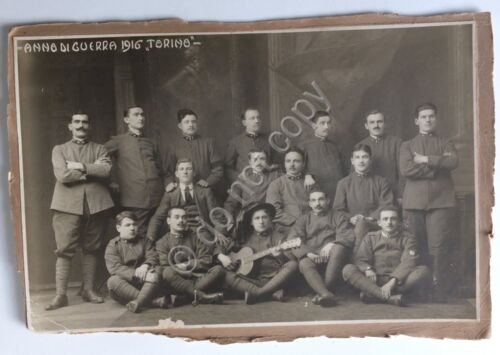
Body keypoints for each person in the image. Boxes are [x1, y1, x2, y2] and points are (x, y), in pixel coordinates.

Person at [46, 112, 114, 310]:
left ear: (89, 126)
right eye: (77, 122)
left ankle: (88, 289)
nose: (81, 125)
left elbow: (106, 171)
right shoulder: (59, 149)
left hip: (97, 204)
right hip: (66, 205)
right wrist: (90, 172)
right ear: (70, 126)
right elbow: (63, 175)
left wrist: (80, 166)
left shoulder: (100, 148)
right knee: (64, 249)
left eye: (85, 122)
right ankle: (60, 295)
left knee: (92, 248)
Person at [399, 102, 458, 302]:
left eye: (431, 116)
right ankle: (417, 288)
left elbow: (452, 162)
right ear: (416, 121)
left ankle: (438, 289)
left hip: (441, 202)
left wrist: (424, 160)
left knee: (438, 248)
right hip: (414, 203)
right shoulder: (406, 145)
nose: (428, 120)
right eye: (423, 117)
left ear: (436, 118)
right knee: (416, 246)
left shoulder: (446, 142)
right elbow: (407, 170)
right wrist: (436, 167)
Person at [342, 207, 432, 306]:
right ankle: (389, 298)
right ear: (379, 223)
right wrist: (367, 269)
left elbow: (409, 262)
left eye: (393, 219)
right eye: (385, 219)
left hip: (399, 282)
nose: (389, 222)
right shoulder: (371, 237)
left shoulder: (408, 239)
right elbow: (360, 259)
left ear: (399, 222)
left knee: (423, 271)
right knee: (348, 269)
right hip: (375, 280)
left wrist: (393, 281)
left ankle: (374, 295)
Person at [218, 202, 298, 304]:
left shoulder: (279, 237)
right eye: (257, 218)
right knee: (225, 274)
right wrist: (221, 256)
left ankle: (259, 294)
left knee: (293, 265)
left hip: (273, 280)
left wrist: (279, 256)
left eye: (264, 217)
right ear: (251, 222)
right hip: (250, 280)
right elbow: (224, 244)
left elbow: (289, 260)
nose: (261, 221)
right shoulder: (245, 237)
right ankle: (268, 294)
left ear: (270, 220)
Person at [104, 106, 166, 236]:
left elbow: (161, 169)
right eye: (136, 115)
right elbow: (98, 157)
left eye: (142, 114)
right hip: (134, 198)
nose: (141, 118)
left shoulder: (151, 143)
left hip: (156, 197)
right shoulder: (118, 141)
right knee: (137, 235)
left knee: (157, 234)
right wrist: (112, 181)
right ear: (126, 120)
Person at [288, 189, 355, 307]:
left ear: (328, 201)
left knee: (339, 249)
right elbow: (293, 239)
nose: (317, 203)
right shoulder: (303, 219)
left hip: (332, 258)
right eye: (313, 200)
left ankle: (322, 292)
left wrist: (332, 244)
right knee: (304, 262)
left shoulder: (338, 216)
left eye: (321, 199)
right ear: (309, 203)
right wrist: (308, 254)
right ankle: (326, 294)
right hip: (312, 255)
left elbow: (347, 236)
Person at [333, 143, 394, 254]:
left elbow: (387, 204)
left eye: (365, 157)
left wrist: (370, 218)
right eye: (357, 157)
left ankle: (356, 258)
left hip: (375, 224)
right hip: (350, 225)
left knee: (362, 223)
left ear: (370, 159)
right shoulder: (343, 183)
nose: (361, 161)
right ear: (352, 161)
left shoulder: (381, 181)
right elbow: (338, 210)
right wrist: (351, 218)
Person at [156, 207, 225, 305]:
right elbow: (166, 267)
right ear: (168, 221)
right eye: (177, 217)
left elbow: (206, 260)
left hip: (197, 279)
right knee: (167, 272)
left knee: (218, 269)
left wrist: (186, 265)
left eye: (184, 218)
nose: (181, 220)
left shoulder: (195, 236)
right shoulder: (161, 243)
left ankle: (185, 297)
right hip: (177, 281)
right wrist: (188, 272)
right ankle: (202, 296)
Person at [105, 211, 167, 313]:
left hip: (147, 282)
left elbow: (153, 256)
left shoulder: (144, 240)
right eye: (127, 225)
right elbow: (115, 268)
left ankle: (138, 302)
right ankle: (154, 302)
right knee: (112, 281)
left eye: (134, 224)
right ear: (118, 228)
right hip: (127, 284)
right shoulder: (113, 245)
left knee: (157, 272)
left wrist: (145, 266)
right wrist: (135, 274)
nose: (132, 228)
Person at [147, 159, 218, 242]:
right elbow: (157, 218)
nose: (185, 172)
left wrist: (219, 236)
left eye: (189, 169)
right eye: (182, 169)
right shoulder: (171, 193)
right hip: (178, 233)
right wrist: (149, 240)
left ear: (194, 173)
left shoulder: (205, 191)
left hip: (202, 232)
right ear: (177, 174)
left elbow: (216, 215)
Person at [164, 108, 223, 193]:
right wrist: (170, 184)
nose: (191, 125)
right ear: (180, 126)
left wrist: (208, 182)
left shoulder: (209, 143)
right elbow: (168, 172)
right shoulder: (173, 146)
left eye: (193, 121)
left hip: (205, 191)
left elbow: (218, 169)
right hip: (182, 193)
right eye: (186, 122)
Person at [224, 148, 280, 231]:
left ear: (267, 161)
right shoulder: (242, 179)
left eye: (262, 159)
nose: (259, 162)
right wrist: (229, 220)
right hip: (249, 218)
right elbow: (230, 203)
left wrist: (307, 176)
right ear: (250, 162)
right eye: (255, 159)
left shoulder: (275, 175)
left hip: (270, 217)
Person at [298, 110, 346, 200]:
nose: (326, 127)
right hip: (317, 194)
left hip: (337, 192)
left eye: (328, 123)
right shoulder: (304, 145)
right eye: (322, 123)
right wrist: (307, 175)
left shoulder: (334, 146)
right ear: (313, 125)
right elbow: (296, 167)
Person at [356, 110, 404, 199]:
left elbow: (402, 172)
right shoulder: (359, 146)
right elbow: (355, 174)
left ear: (385, 124)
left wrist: (401, 195)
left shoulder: (397, 143)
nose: (376, 126)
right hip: (368, 195)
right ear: (366, 126)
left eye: (379, 122)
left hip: (392, 194)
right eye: (372, 122)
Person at [224, 107, 278, 183]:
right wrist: (240, 178)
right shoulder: (235, 142)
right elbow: (227, 168)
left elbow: (277, 164)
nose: (257, 121)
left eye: (258, 117)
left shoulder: (270, 140)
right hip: (246, 186)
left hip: (267, 184)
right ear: (244, 122)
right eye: (252, 118)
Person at [266, 147, 311, 231]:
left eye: (296, 161)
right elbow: (273, 211)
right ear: (284, 163)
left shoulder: (309, 182)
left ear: (303, 164)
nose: (292, 165)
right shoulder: (276, 184)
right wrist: (296, 222)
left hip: (311, 225)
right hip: (287, 227)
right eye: (288, 161)